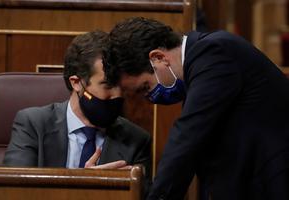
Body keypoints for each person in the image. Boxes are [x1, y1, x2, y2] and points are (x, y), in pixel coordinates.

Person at [103, 17, 289, 200]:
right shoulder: (200, 68)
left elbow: (187, 138)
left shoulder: (213, 52)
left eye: (145, 87)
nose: (150, 99)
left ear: (158, 57)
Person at [3, 31, 151, 180]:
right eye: (107, 85)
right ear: (76, 83)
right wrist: (85, 186)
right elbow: (14, 191)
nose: (117, 95)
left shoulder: (136, 140)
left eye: (120, 86)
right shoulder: (33, 124)